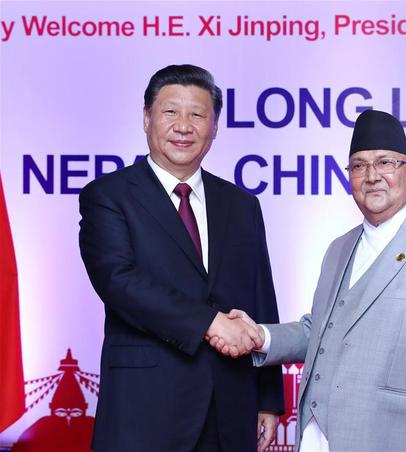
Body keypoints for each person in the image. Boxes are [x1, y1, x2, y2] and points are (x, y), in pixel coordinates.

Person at [215, 110, 406, 451]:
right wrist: (259, 336)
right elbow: (321, 332)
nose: (372, 176)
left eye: (385, 163)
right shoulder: (339, 248)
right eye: (359, 166)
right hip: (315, 435)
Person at [79, 64, 284, 452]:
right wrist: (209, 323)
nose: (184, 126)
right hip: (144, 411)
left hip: (230, 406)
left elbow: (261, 297)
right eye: (171, 112)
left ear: (215, 126)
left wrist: (268, 399)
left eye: (198, 114)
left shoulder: (241, 205)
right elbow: (119, 282)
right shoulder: (108, 196)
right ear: (146, 118)